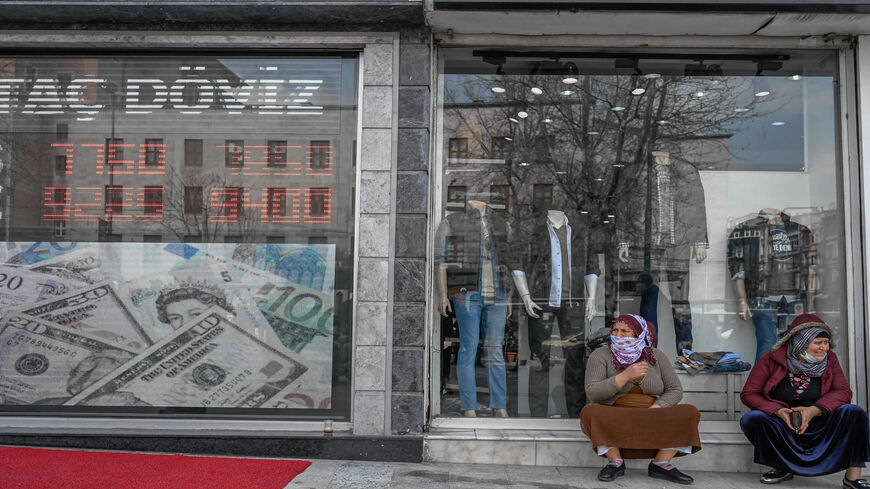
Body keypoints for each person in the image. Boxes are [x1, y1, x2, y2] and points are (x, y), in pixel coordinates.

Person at [740, 314, 870, 488]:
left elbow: (843, 391)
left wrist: (814, 410)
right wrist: (778, 411)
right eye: (818, 343)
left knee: (854, 413)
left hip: (821, 423)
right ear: (800, 342)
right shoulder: (770, 359)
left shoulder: (830, 360)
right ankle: (781, 467)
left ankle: (852, 477)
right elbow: (749, 393)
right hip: (785, 424)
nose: (824, 348)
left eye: (826, 342)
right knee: (753, 418)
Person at [580, 314, 701, 484]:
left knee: (689, 412)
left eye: (625, 331)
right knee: (590, 411)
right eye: (615, 330)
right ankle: (615, 462)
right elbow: (593, 392)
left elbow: (675, 389)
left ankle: (661, 463)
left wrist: (658, 407)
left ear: (639, 334)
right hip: (616, 415)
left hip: (652, 414)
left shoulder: (656, 356)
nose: (618, 335)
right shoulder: (600, 355)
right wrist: (625, 376)